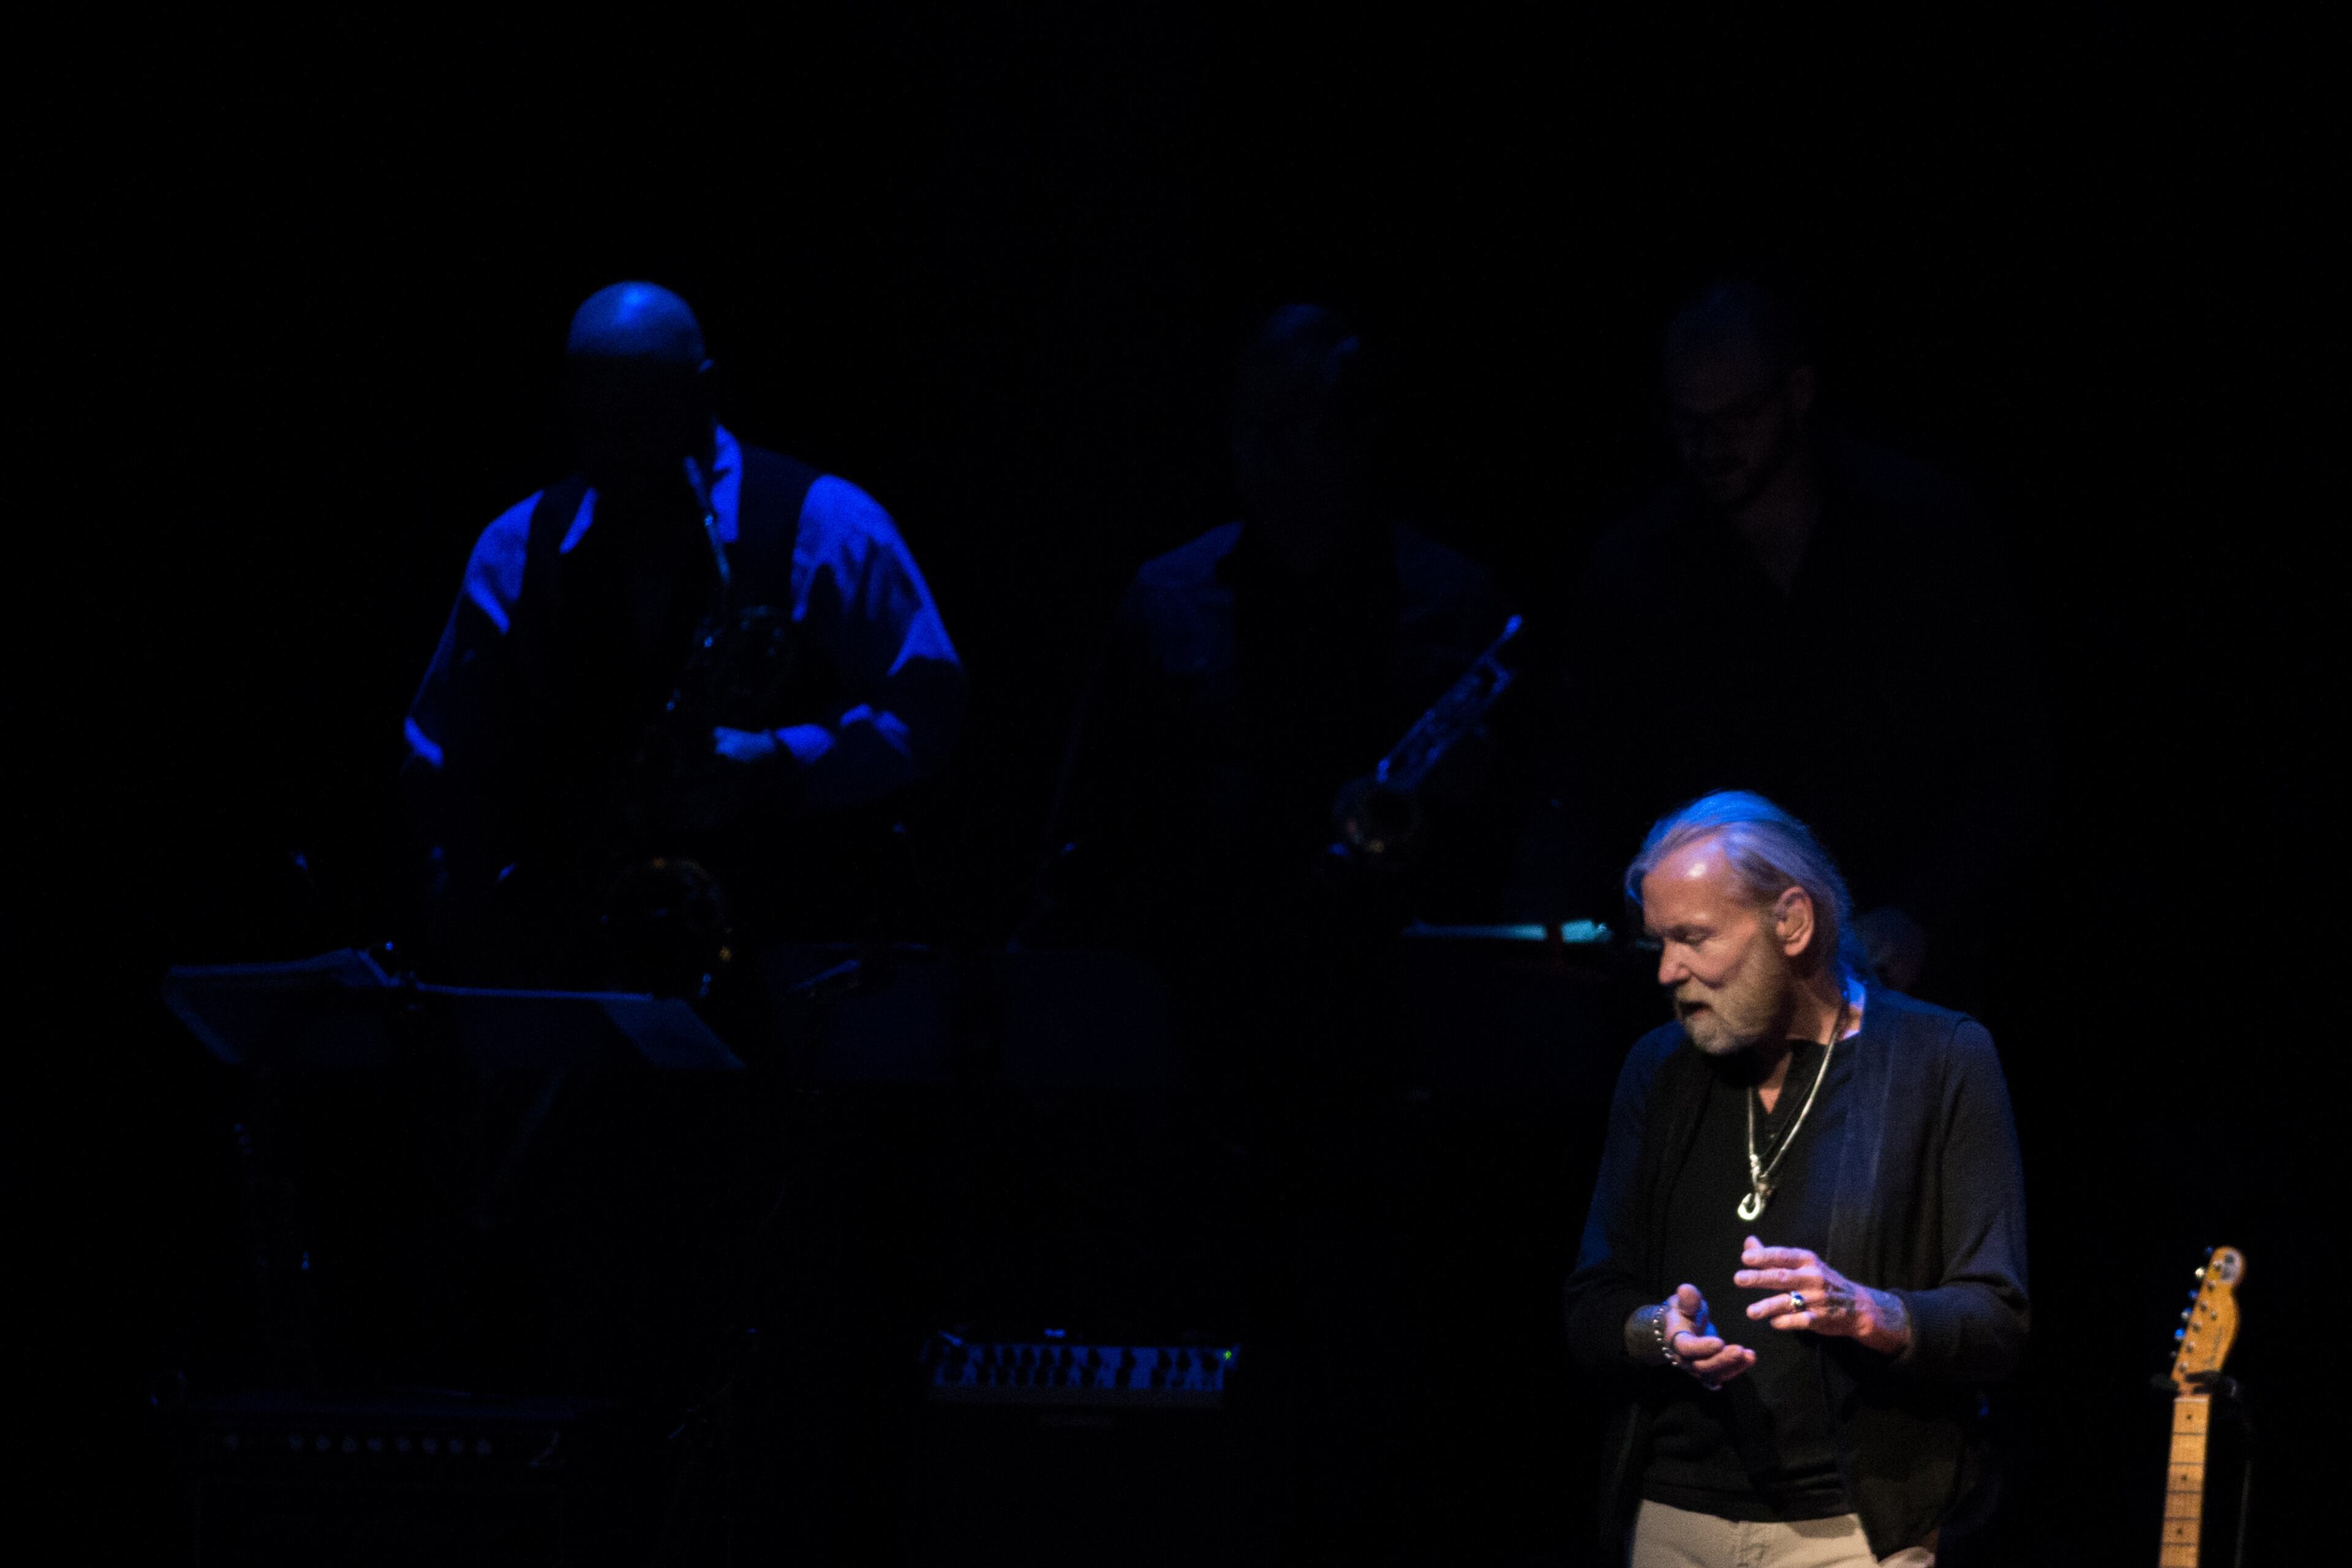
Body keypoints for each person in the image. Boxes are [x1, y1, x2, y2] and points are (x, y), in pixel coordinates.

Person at [402, 282, 962, 981]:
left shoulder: (831, 528)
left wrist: (783, 759)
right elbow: (440, 758)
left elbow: (931, 713)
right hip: (580, 971)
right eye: (594, 426)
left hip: (792, 969)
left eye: (642, 420)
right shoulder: (515, 548)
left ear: (706, 392)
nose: (619, 455)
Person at [1562, 791, 2027, 1565]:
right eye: (1660, 942)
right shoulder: (1660, 1069)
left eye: (1694, 938)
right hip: (1675, 1512)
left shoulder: (1939, 1057)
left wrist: (1870, 1311)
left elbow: (1997, 1316)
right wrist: (1659, 1333)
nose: (1668, 970)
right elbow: (1592, 1299)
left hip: (1853, 1531)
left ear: (1793, 923)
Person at [1565, 282, 2041, 1006]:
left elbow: (2009, 760)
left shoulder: (1924, 534)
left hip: (1916, 992)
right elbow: (1605, 795)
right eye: (1687, 421)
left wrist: (1919, 913)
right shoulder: (1637, 572)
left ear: (1798, 393)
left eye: (1735, 418)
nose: (1708, 446)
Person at [1040, 303, 1512, 959]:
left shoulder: (1455, 602)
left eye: (1294, 426)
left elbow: (1515, 836)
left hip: (1404, 988)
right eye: (1248, 426)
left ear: (1364, 432)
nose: (1262, 452)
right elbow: (1094, 824)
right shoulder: (1168, 599)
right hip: (1203, 986)